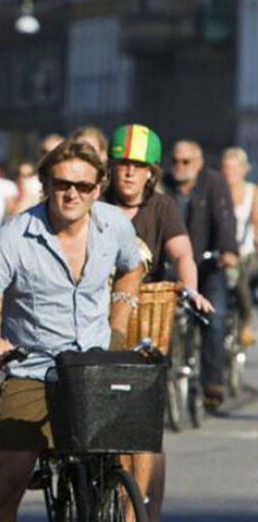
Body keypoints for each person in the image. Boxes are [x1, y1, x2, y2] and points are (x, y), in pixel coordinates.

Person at [0, 138, 142, 521]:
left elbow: (132, 268)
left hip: (94, 364)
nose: (72, 193)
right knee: (8, 484)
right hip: (35, 368)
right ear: (46, 184)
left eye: (82, 186)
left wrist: (118, 324)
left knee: (130, 455)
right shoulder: (13, 238)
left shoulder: (113, 224)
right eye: (63, 184)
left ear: (97, 189)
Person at [104, 124, 212, 521]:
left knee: (148, 427)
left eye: (138, 165)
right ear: (111, 169)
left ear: (152, 172)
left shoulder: (161, 208)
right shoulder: (96, 203)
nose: (129, 173)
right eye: (122, 164)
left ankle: (151, 510)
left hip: (148, 321)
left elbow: (183, 254)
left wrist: (190, 288)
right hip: (97, 318)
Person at [162, 139, 238, 411]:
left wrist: (227, 250)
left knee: (213, 318)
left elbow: (225, 218)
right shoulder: (164, 186)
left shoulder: (213, 183)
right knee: (161, 322)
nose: (180, 167)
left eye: (186, 162)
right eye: (175, 161)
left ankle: (212, 383)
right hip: (173, 265)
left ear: (199, 163)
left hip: (207, 264)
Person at [220, 146, 258, 346]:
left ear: (244, 169)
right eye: (226, 168)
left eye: (234, 168)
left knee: (241, 281)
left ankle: (245, 324)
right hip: (222, 251)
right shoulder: (217, 193)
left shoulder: (253, 192)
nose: (229, 173)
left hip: (246, 253)